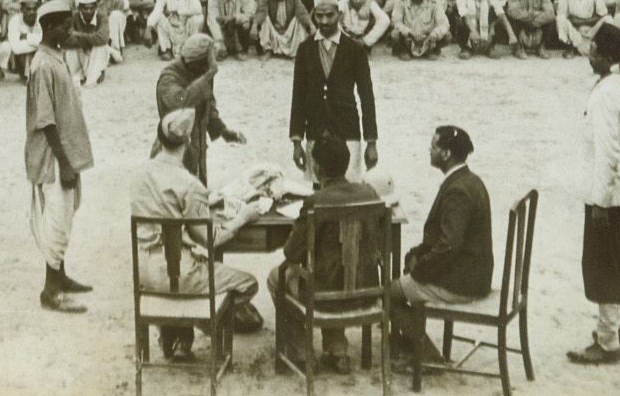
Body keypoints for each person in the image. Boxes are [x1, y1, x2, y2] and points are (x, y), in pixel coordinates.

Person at [131, 108, 262, 360]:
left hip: (144, 273)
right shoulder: (189, 184)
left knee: (186, 271)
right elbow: (211, 239)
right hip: (177, 274)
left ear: (159, 139)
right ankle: (204, 321)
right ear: (188, 142)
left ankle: (176, 333)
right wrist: (242, 218)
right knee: (247, 283)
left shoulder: (139, 175)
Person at [270, 134, 383, 375]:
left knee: (277, 277)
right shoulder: (370, 193)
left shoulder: (315, 201)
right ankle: (337, 351)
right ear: (346, 162)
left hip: (325, 297)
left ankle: (301, 355)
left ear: (317, 168)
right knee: (335, 272)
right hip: (366, 293)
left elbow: (291, 252)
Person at [389, 126, 493, 365]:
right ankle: (413, 342)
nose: (430, 150)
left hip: (463, 282)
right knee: (406, 279)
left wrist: (419, 270)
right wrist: (418, 254)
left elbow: (448, 245)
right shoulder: (469, 179)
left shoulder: (457, 190)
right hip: (473, 272)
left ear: (446, 154)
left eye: (434, 146)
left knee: (387, 294)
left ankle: (427, 356)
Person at [567, 23, 620, 366]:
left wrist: (600, 201)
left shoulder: (609, 93)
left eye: (594, 49)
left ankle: (608, 342)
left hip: (608, 195)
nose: (589, 53)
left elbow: (607, 151)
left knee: (602, 266)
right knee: (619, 263)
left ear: (609, 57)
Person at [25, 0, 94, 313]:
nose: (69, 29)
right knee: (56, 220)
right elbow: (45, 120)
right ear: (49, 27)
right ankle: (49, 291)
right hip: (54, 157)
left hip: (66, 152)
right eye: (64, 25)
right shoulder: (42, 64)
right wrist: (64, 162)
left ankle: (61, 277)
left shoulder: (57, 57)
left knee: (65, 214)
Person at [289, 0, 378, 183]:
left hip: (348, 129)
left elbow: (366, 97)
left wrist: (371, 142)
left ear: (339, 14)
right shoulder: (305, 50)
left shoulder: (355, 50)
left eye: (329, 15)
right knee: (317, 187)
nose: (325, 21)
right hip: (315, 129)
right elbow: (298, 96)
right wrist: (296, 141)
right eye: (319, 16)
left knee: (349, 186)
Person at [152, 33, 246, 185]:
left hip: (196, 148)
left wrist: (222, 131)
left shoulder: (199, 74)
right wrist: (208, 75)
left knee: (196, 195)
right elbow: (181, 101)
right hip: (173, 150)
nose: (207, 68)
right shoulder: (169, 78)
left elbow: (208, 105)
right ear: (192, 61)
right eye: (205, 64)